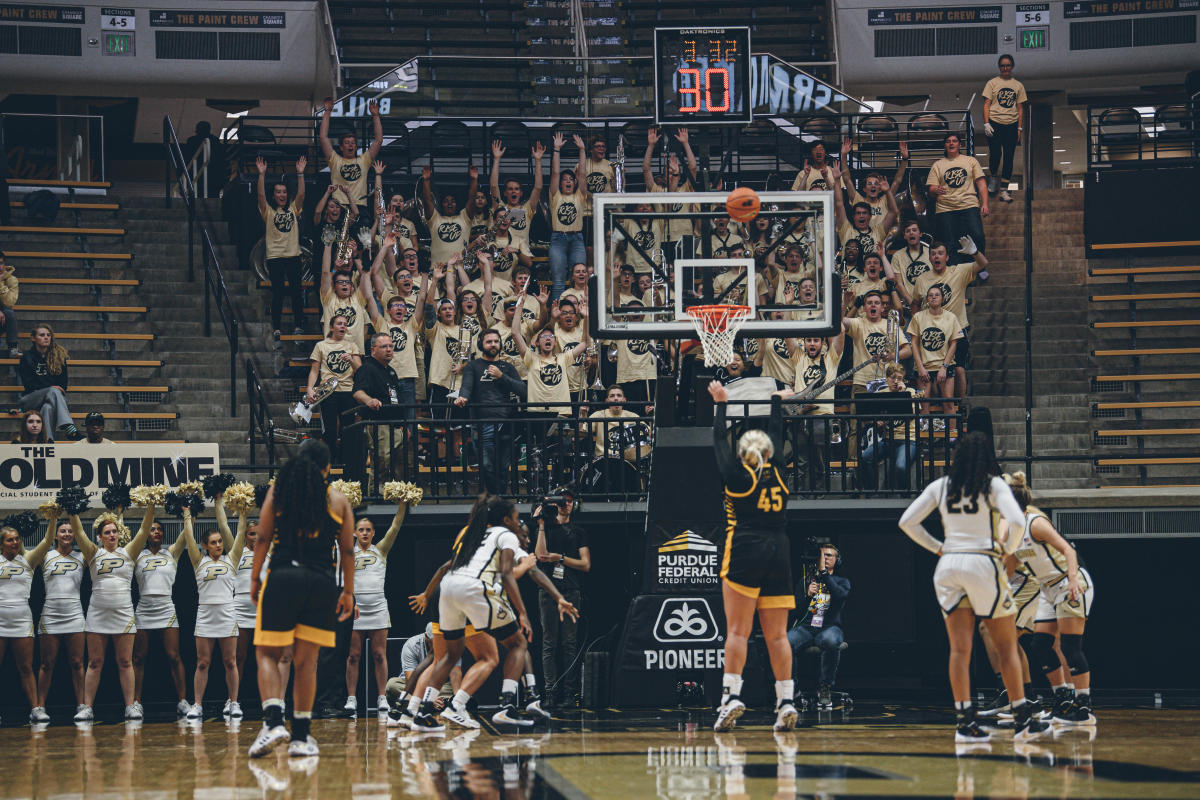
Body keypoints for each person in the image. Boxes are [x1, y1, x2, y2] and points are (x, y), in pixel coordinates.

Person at [897, 432, 1050, 743]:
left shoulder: (941, 486)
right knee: (1007, 645)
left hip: (949, 564)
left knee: (959, 649)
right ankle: (1022, 719)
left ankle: (965, 724)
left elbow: (907, 521)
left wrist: (938, 547)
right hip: (982, 561)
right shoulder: (992, 485)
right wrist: (1007, 549)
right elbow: (1018, 521)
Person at [403, 496, 576, 731]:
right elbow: (515, 573)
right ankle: (500, 706)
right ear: (506, 520)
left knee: (448, 657)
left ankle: (422, 713)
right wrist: (534, 609)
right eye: (515, 518)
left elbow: (448, 565)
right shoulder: (506, 535)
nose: (518, 523)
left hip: (448, 589)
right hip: (475, 590)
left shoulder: (471, 534)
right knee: (515, 645)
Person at [248, 439, 356, 759]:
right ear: (327, 470)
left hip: (282, 578)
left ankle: (272, 722)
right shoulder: (338, 501)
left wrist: (255, 577)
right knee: (306, 662)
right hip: (322, 583)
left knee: (267, 654)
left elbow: (263, 537)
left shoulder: (279, 493)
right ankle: (301, 737)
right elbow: (347, 550)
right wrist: (348, 591)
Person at [706, 381, 797, 733]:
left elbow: (717, 442)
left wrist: (721, 405)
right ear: (770, 452)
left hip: (746, 546)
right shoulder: (780, 472)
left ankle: (731, 696)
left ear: (744, 453)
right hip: (780, 548)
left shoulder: (736, 475)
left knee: (738, 632)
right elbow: (775, 433)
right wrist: (776, 402)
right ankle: (786, 700)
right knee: (777, 636)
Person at [1005, 471, 1096, 726]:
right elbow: (1009, 564)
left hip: (1070, 583)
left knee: (1069, 645)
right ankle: (1063, 700)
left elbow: (1068, 549)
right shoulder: (1012, 532)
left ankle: (1084, 709)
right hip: (1047, 589)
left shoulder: (1035, 523)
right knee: (1040, 645)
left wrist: (1074, 579)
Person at [76, 508, 152, 722]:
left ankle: (130, 706)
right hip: (97, 613)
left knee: (125, 662)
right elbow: (79, 531)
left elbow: (145, 529)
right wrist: (73, 512)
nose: (111, 535)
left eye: (114, 531)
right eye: (107, 532)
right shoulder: (93, 553)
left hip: (123, 613)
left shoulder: (128, 553)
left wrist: (151, 506)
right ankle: (87, 707)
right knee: (94, 662)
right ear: (99, 537)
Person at [344, 501, 410, 716]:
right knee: (353, 655)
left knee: (379, 654)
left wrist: (403, 503)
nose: (364, 533)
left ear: (373, 533)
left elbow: (396, 526)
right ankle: (351, 699)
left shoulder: (380, 550)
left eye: (368, 530)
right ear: (354, 533)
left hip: (378, 607)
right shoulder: (347, 552)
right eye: (360, 530)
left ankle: (382, 697)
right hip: (356, 609)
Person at [182, 505, 242, 721]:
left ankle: (233, 702)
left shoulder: (232, 559)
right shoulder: (199, 561)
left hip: (227, 613)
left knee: (230, 661)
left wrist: (242, 513)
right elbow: (188, 538)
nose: (218, 545)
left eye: (220, 542)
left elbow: (239, 534)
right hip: (205, 614)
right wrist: (187, 515)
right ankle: (197, 704)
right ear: (205, 546)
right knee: (202, 662)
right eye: (213, 542)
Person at [129, 511, 189, 718]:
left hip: (166, 607)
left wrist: (190, 513)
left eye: (159, 530)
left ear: (163, 534)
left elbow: (184, 537)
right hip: (144, 607)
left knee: (174, 656)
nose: (156, 532)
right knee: (138, 657)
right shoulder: (137, 555)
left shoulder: (171, 553)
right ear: (146, 533)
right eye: (152, 529)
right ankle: (135, 702)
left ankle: (182, 701)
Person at [232, 499, 290, 710]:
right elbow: (235, 530)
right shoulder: (238, 553)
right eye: (251, 534)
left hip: (265, 609)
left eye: (258, 533)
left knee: (271, 657)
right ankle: (234, 701)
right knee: (238, 657)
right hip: (240, 608)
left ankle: (277, 701)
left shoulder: (269, 551)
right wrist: (242, 511)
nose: (255, 537)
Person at [453, 329, 528, 494]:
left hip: (506, 424)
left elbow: (524, 391)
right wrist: (462, 397)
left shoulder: (507, 367)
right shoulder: (473, 366)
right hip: (482, 423)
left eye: (496, 341)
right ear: (481, 345)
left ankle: (499, 499)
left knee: (502, 467)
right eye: (489, 341)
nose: (493, 344)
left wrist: (502, 376)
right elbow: (466, 386)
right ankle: (494, 499)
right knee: (487, 466)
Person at [533, 495, 590, 708]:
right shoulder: (546, 528)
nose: (567, 505)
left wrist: (561, 558)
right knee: (549, 642)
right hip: (548, 591)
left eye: (570, 501)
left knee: (569, 643)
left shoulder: (578, 532)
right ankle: (550, 692)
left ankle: (569, 693)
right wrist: (540, 524)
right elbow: (539, 555)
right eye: (563, 501)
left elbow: (585, 564)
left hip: (571, 589)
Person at [0, 520, 55, 724]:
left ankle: (36, 709)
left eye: (16, 539)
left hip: (22, 619)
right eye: (9, 540)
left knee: (26, 667)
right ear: (1, 544)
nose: (14, 543)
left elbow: (48, 540)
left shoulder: (28, 560)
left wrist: (53, 517)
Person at [35, 512, 87, 722]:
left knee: (77, 662)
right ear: (56, 535)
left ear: (75, 535)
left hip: (74, 614)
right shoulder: (45, 556)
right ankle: (39, 706)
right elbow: (43, 542)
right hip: (50, 614)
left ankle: (82, 706)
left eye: (69, 531)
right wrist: (52, 518)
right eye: (62, 531)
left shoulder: (82, 556)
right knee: (47, 664)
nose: (66, 534)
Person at [788, 542, 850, 711]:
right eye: (822, 555)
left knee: (830, 640)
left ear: (837, 560)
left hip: (829, 626)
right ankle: (793, 690)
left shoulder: (841, 581)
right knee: (785, 643)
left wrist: (824, 575)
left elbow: (839, 595)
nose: (825, 558)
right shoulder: (806, 581)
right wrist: (807, 595)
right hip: (807, 627)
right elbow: (796, 611)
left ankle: (825, 688)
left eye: (829, 555)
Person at [256, 155, 308, 348]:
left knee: (296, 293)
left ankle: (298, 327)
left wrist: (300, 174)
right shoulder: (268, 212)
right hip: (275, 257)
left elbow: (301, 195)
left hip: (293, 256)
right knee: (278, 293)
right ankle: (277, 329)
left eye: (284, 192)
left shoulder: (294, 209)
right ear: (274, 195)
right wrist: (261, 175)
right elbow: (260, 196)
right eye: (278, 192)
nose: (282, 195)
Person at [306, 312, 362, 462]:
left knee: (348, 430)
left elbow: (360, 369)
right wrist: (310, 388)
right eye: (339, 323)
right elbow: (314, 370)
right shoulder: (321, 345)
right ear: (331, 327)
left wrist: (351, 359)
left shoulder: (351, 345)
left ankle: (347, 462)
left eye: (345, 324)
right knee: (330, 431)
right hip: (328, 393)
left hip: (348, 391)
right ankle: (331, 463)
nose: (343, 326)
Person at [351, 332, 405, 482]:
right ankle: (377, 498)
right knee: (382, 465)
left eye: (390, 346)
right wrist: (369, 400)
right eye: (384, 346)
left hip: (395, 425)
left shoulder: (391, 371)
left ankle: (394, 497)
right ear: (373, 349)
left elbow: (396, 398)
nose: (389, 349)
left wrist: (402, 424)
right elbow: (357, 392)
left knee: (398, 466)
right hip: (379, 424)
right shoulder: (367, 368)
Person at [907, 285, 963, 429]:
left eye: (937, 294)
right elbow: (913, 343)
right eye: (930, 295)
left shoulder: (951, 317)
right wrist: (920, 367)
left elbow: (954, 343)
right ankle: (924, 440)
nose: (933, 297)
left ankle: (951, 437)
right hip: (923, 367)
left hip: (944, 365)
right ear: (926, 299)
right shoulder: (919, 317)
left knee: (948, 403)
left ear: (942, 298)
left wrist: (944, 367)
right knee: (923, 404)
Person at [926, 133, 988, 262]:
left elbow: (981, 184)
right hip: (945, 208)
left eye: (954, 141)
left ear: (960, 144)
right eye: (948, 141)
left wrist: (985, 204)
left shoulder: (970, 161)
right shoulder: (937, 165)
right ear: (945, 145)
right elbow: (931, 189)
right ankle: (954, 272)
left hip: (969, 205)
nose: (951, 143)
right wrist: (935, 189)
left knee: (978, 235)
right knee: (950, 242)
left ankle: (980, 265)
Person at [859, 363, 921, 491]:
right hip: (888, 440)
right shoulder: (882, 393)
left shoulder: (910, 392)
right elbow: (874, 416)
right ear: (886, 379)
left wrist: (903, 394)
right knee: (865, 458)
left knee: (900, 466)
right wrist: (878, 423)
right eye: (893, 378)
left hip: (908, 440)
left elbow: (914, 414)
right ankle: (872, 492)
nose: (896, 381)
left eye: (899, 378)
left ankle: (903, 495)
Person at [319, 97, 382, 218]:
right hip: (339, 207)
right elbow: (323, 138)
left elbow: (378, 140)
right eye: (347, 142)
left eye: (353, 142)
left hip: (360, 206)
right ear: (341, 147)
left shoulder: (364, 160)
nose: (350, 145)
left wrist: (375, 116)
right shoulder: (335, 160)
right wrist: (327, 111)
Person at [18, 323, 81, 441]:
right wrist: (50, 387)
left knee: (47, 408)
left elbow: (63, 385)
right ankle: (69, 427)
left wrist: (52, 389)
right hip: (30, 400)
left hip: (52, 399)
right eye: (42, 335)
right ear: (33, 338)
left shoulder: (58, 357)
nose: (46, 337)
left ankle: (48, 441)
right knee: (53, 391)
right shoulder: (27, 357)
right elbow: (29, 385)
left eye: (48, 335)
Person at [548, 133, 590, 299]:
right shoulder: (555, 196)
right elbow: (555, 173)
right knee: (558, 281)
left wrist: (582, 150)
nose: (567, 181)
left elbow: (582, 174)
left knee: (580, 281)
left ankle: (582, 312)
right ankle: (558, 316)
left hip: (577, 239)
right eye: (564, 180)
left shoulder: (579, 195)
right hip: (558, 239)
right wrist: (556, 149)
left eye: (570, 179)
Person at [982, 54, 1026, 203]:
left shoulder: (1018, 85)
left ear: (1012, 66)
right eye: (1002, 66)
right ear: (999, 67)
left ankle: (1004, 190)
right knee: (995, 154)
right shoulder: (992, 83)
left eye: (1007, 65)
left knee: (1009, 157)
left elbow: (1020, 108)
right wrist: (986, 123)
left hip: (1011, 125)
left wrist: (1019, 128)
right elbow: (986, 104)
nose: (1005, 68)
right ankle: (993, 177)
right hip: (995, 122)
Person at [489, 138, 546, 251]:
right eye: (510, 189)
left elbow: (538, 187)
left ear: (521, 193)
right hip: (503, 255)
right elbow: (494, 186)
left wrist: (538, 161)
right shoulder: (500, 208)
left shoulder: (527, 208)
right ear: (505, 193)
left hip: (522, 254)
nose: (514, 191)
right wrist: (496, 159)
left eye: (516, 189)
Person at [0, 251, 19, 357]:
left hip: (1, 320)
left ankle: (13, 347)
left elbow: (9, 302)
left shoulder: (12, 280)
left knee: (9, 313)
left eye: (1, 263)